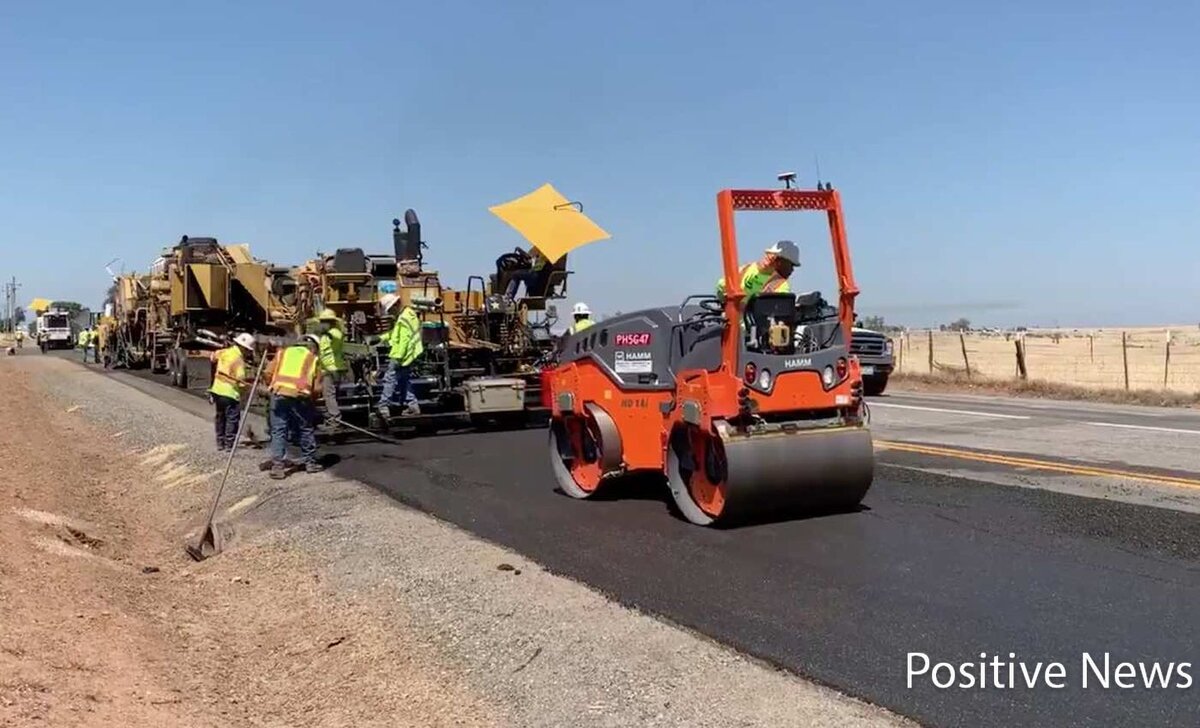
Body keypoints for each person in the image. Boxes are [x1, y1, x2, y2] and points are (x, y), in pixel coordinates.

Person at [266, 334, 324, 479]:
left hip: (279, 394)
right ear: (314, 347)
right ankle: (310, 463)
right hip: (300, 397)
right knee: (305, 428)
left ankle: (278, 467)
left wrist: (272, 387)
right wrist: (313, 401)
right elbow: (317, 388)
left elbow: (267, 373)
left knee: (278, 430)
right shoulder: (313, 358)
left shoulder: (282, 353)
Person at [376, 293, 423, 419]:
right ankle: (413, 406)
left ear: (395, 306)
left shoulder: (403, 319)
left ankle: (383, 407)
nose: (390, 313)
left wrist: (397, 358)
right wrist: (380, 338)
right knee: (404, 380)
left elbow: (403, 341)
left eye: (390, 310)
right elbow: (396, 334)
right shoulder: (407, 315)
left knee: (389, 378)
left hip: (401, 355)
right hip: (408, 355)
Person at [208, 333, 256, 451]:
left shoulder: (224, 352)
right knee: (232, 419)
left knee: (220, 417)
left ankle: (220, 442)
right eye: (247, 350)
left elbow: (212, 357)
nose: (248, 353)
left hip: (217, 390)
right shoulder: (238, 360)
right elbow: (240, 380)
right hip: (230, 393)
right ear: (244, 348)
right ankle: (229, 444)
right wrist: (247, 388)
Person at [715, 239, 800, 299]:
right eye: (770, 254)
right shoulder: (745, 269)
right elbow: (721, 286)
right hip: (731, 318)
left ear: (783, 264)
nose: (771, 258)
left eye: (777, 257)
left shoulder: (780, 285)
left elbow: (778, 307)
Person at [316, 309, 347, 424]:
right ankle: (333, 415)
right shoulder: (328, 334)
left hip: (331, 369)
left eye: (323, 322)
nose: (321, 324)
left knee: (329, 394)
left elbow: (335, 339)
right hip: (333, 368)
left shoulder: (333, 333)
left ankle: (335, 418)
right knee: (332, 394)